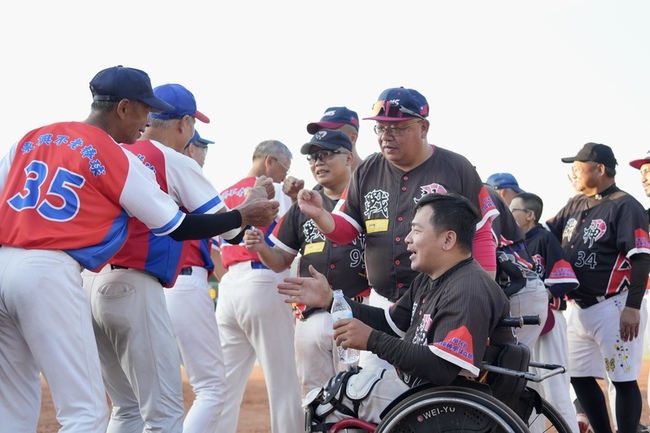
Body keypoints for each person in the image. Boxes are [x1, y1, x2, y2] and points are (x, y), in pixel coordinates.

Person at [0, 65, 278, 433]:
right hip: (58, 274)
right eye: (145, 109)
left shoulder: (30, 138)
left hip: (20, 269)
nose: (147, 120)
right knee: (89, 413)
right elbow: (178, 227)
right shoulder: (120, 155)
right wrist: (244, 213)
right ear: (123, 108)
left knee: (15, 408)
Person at [83, 83, 278, 433]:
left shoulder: (112, 152)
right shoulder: (169, 158)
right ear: (184, 124)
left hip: (87, 284)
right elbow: (232, 231)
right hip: (134, 285)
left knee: (126, 408)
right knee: (165, 415)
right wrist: (249, 201)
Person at [295, 86, 499, 369]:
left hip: (441, 300)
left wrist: (482, 297)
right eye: (380, 128)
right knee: (372, 383)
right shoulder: (367, 171)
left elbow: (481, 235)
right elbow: (346, 230)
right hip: (383, 302)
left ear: (423, 127)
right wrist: (319, 214)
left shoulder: (456, 167)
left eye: (398, 128)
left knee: (430, 380)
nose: (385, 136)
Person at [277, 193, 515, 425]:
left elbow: (442, 368)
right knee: (338, 387)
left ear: (448, 240)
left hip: (443, 403)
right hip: (418, 391)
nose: (407, 238)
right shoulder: (431, 277)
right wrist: (331, 300)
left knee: (326, 407)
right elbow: (391, 324)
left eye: (417, 230)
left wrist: (372, 340)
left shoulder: (468, 289)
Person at [243, 129, 370, 397]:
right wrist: (261, 247)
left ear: (349, 158)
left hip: (357, 311)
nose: (318, 162)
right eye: (313, 157)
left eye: (326, 154)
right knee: (315, 398)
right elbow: (280, 261)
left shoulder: (366, 201)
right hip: (310, 316)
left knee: (360, 394)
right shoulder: (304, 204)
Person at [546, 142, 650, 433]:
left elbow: (641, 259)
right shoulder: (575, 203)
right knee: (578, 376)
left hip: (614, 305)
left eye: (579, 167)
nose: (574, 173)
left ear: (600, 169)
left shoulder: (625, 205)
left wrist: (631, 307)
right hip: (579, 307)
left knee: (622, 379)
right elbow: (547, 234)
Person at [215, 139, 303, 433]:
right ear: (269, 161)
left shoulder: (224, 193)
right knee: (285, 381)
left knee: (223, 386)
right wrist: (294, 194)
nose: (283, 175)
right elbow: (295, 235)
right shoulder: (273, 190)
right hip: (263, 279)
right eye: (283, 168)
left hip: (229, 286)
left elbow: (212, 249)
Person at [163, 128, 228, 433]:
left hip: (149, 287)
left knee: (147, 395)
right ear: (189, 148)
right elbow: (232, 231)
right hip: (185, 282)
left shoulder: (146, 171)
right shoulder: (186, 174)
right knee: (212, 387)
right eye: (202, 147)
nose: (203, 154)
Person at [510, 191, 580, 433]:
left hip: (549, 322)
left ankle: (569, 429)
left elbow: (567, 279)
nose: (509, 215)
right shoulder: (514, 244)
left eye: (514, 211)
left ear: (530, 215)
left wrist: (539, 295)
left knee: (555, 385)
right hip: (526, 324)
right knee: (528, 386)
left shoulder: (544, 239)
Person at [306, 106, 364, 171]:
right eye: (320, 133)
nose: (322, 138)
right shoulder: (322, 178)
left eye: (330, 133)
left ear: (353, 138)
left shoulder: (374, 172)